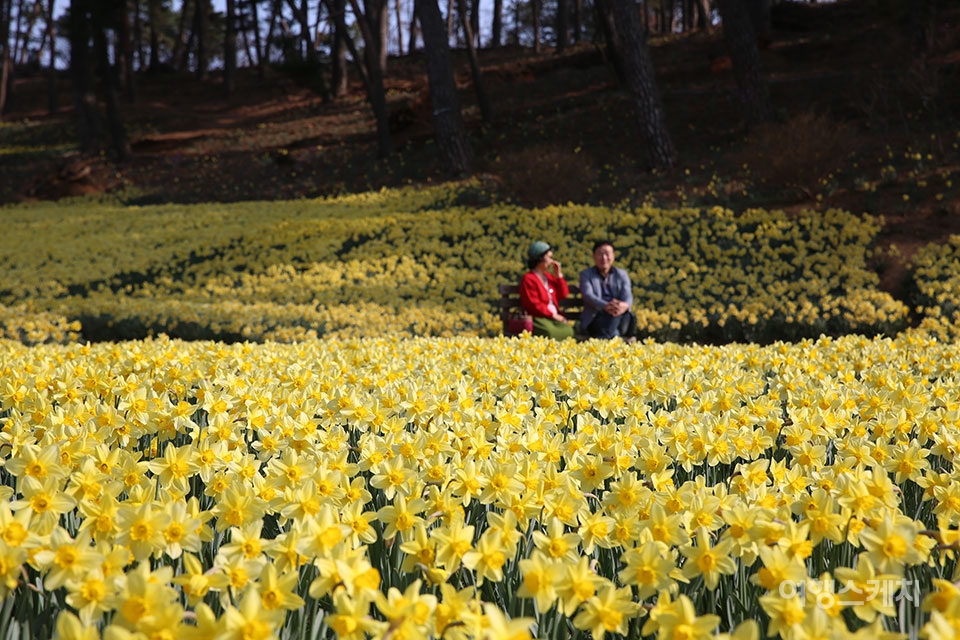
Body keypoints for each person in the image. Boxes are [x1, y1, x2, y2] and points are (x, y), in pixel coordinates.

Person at [579, 240, 637, 340]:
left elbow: (627, 295)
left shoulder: (621, 275)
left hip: (619, 315)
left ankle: (607, 338)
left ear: (613, 256)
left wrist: (624, 305)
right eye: (600, 254)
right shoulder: (586, 275)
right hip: (596, 317)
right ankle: (614, 336)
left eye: (607, 254)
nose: (604, 258)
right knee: (613, 324)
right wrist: (606, 306)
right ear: (594, 256)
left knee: (617, 316)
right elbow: (588, 296)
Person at [519, 241, 576, 340]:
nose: (551, 261)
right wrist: (554, 315)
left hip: (553, 318)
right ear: (540, 259)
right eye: (549, 257)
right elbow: (534, 304)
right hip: (539, 318)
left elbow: (564, 294)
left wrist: (559, 275)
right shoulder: (528, 279)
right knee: (550, 333)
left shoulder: (549, 277)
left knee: (569, 331)